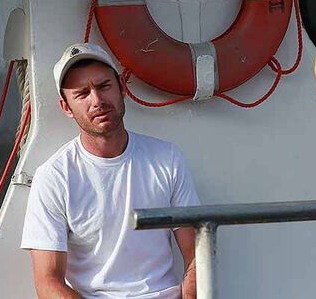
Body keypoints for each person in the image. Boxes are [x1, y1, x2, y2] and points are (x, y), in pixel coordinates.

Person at [21, 43, 200, 298]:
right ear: (66, 108)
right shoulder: (54, 177)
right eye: (82, 94)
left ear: (122, 88)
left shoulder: (167, 159)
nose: (97, 100)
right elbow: (48, 282)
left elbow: (197, 254)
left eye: (104, 86)